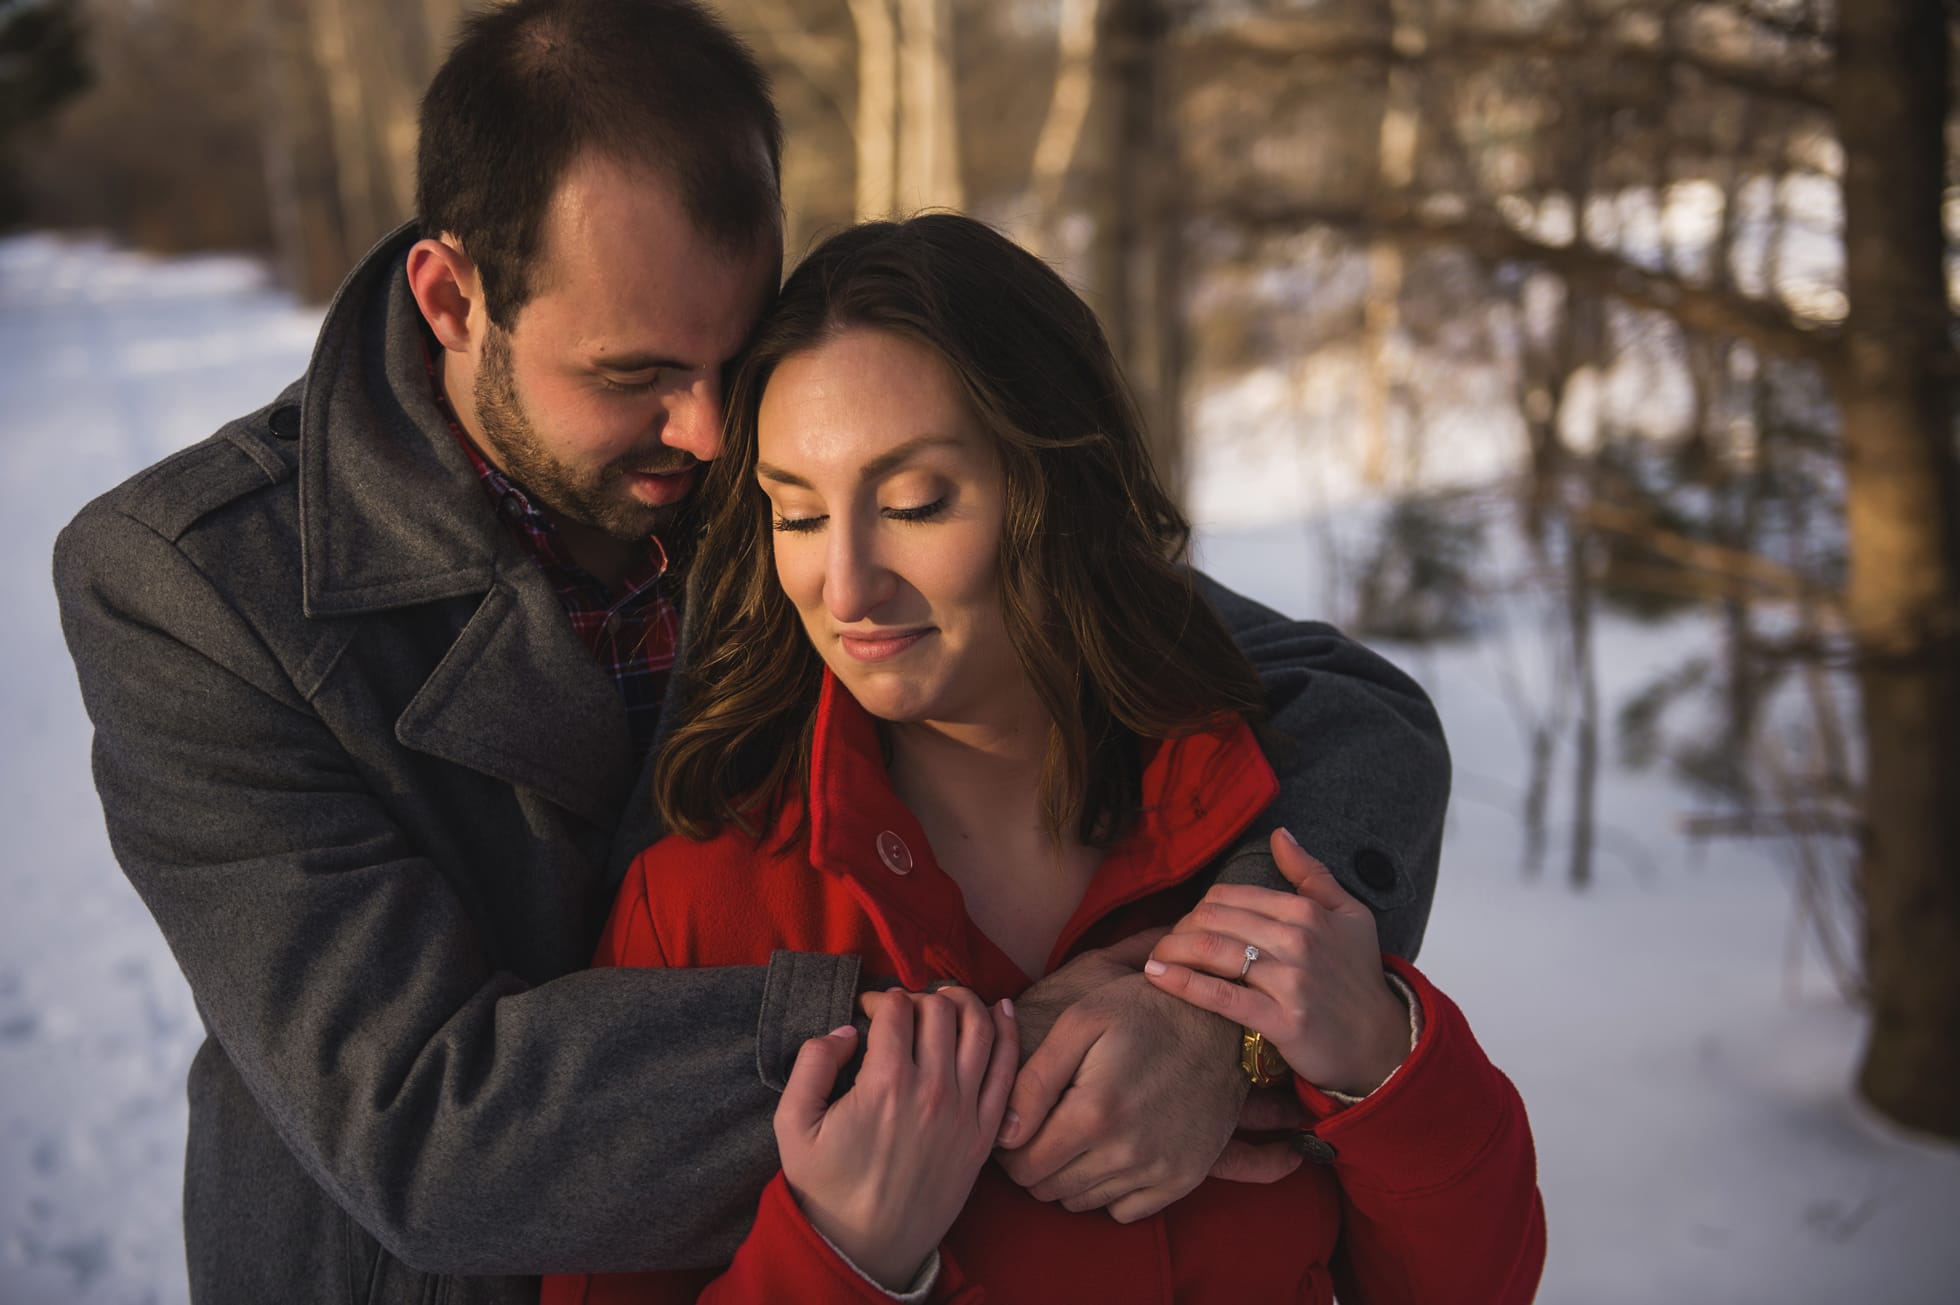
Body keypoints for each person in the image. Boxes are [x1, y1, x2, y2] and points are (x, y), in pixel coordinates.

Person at [51, 2, 1450, 1302]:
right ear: (452, 299)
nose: (715, 436)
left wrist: (1214, 1012)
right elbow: (424, 1119)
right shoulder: (193, 588)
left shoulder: (791, 460)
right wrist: (976, 1045)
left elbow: (1337, 711)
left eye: (731, 353)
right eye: (636, 375)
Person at [544, 214, 1542, 1305]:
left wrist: (1387, 1060)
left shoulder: (1271, 830)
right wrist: (840, 1256)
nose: (846, 585)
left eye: (915, 503)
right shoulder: (702, 908)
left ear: (1061, 487)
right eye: (795, 512)